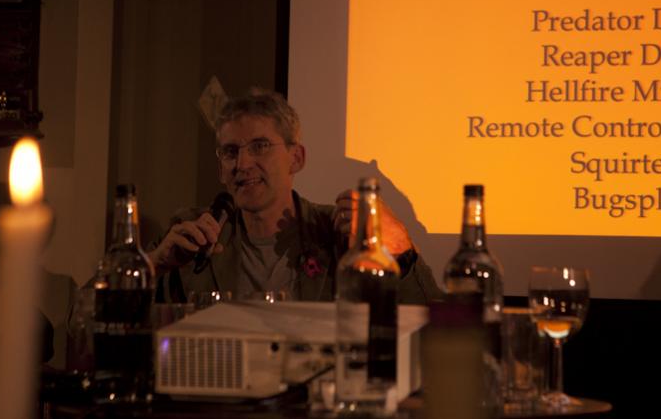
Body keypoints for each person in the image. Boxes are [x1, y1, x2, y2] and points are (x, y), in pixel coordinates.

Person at [148, 90, 442, 304]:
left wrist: (401, 252)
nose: (242, 164)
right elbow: (125, 321)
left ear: (296, 158)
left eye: (260, 146)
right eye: (230, 152)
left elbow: (433, 320)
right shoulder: (193, 235)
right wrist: (155, 264)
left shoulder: (338, 233)